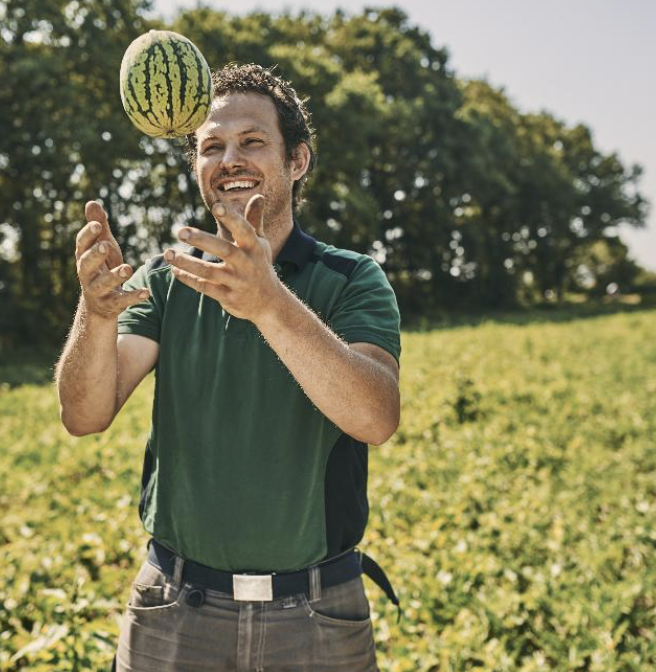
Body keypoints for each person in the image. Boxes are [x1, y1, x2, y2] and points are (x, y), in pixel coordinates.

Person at [55, 63, 402, 671]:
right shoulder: (164, 281)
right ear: (197, 167)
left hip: (318, 613)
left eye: (252, 142)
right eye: (212, 146)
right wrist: (96, 313)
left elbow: (375, 416)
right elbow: (84, 414)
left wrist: (270, 304)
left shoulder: (351, 279)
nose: (230, 159)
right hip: (173, 607)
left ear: (297, 161)